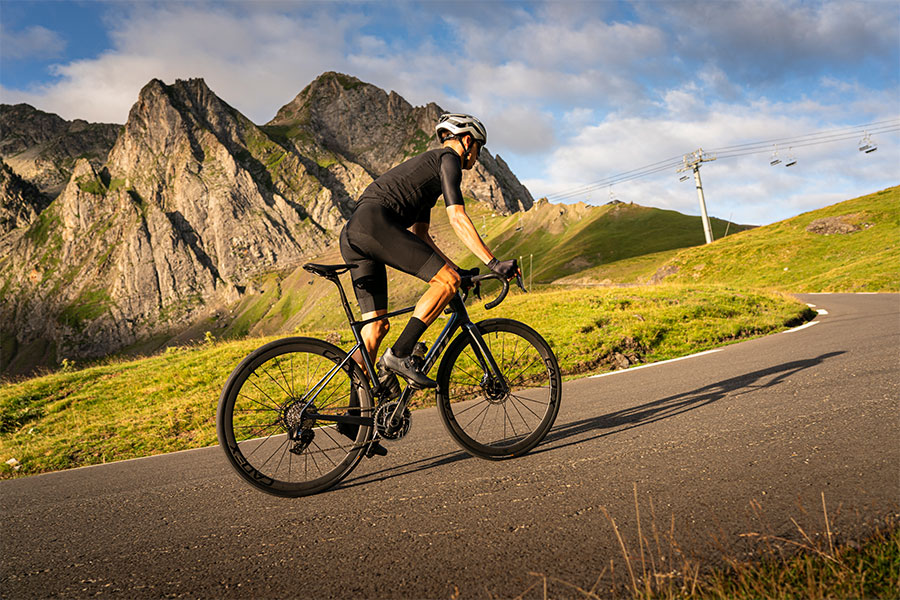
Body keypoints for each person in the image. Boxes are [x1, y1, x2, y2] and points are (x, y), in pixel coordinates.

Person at [339, 113, 519, 396]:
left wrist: (458, 270)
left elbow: (421, 236)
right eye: (478, 149)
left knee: (374, 331)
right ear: (468, 141)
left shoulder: (426, 177)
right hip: (375, 224)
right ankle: (399, 355)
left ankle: (357, 425)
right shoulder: (449, 160)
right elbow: (457, 217)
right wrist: (493, 263)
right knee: (445, 283)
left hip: (354, 233)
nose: (476, 156)